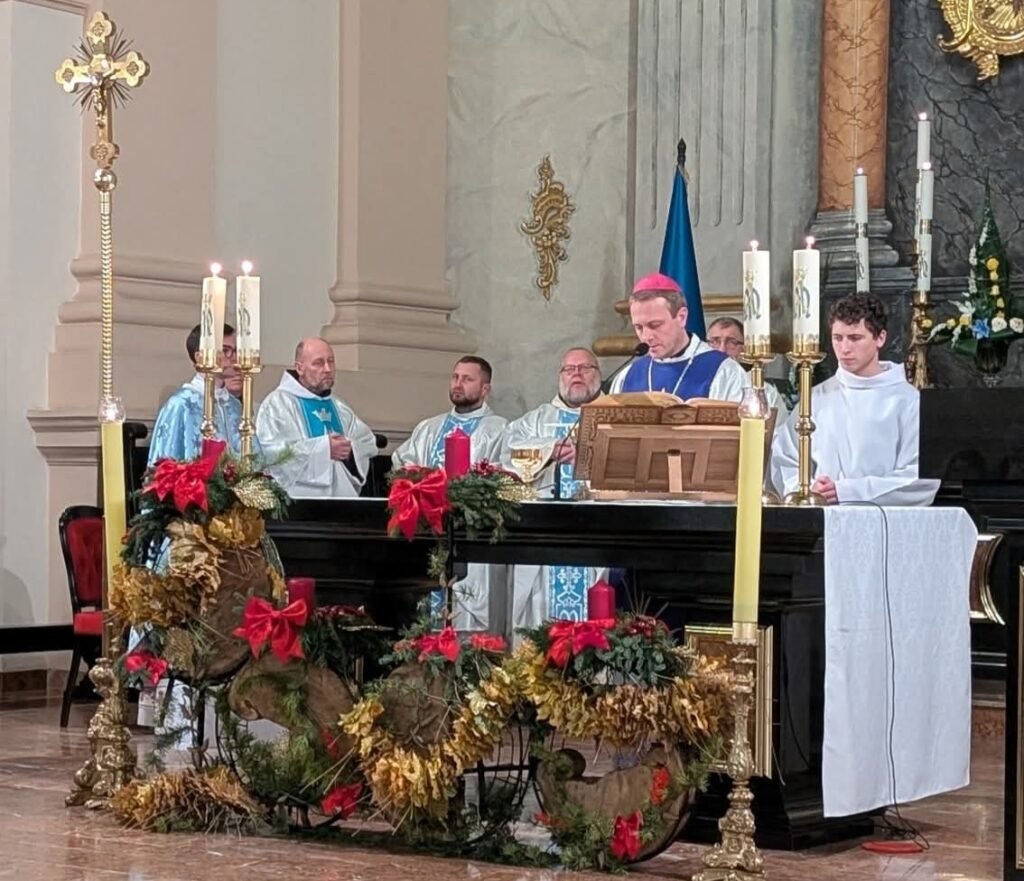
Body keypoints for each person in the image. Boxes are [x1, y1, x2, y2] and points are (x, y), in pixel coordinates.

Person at [770, 294, 939, 506]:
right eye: (837, 338)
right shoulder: (816, 397)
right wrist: (807, 489)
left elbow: (921, 478)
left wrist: (848, 491)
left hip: (883, 519)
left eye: (855, 338)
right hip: (823, 517)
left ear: (880, 338)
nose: (844, 348)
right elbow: (785, 458)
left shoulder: (908, 401)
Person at [392, 356, 508, 632]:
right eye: (455, 377)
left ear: (485, 388)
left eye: (467, 379)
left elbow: (506, 476)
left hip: (475, 536)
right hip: (429, 533)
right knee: (429, 613)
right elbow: (402, 464)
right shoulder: (429, 428)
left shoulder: (501, 429)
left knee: (470, 610)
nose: (458, 384)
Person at [505, 348, 607, 629]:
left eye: (585, 368)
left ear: (598, 374)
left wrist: (589, 455)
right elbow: (507, 453)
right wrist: (548, 450)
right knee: (540, 614)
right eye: (569, 369)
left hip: (595, 532)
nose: (576, 374)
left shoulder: (615, 416)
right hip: (545, 533)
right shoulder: (537, 419)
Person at [256, 337, 377, 498]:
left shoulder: (339, 407)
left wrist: (349, 451)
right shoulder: (278, 405)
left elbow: (366, 442)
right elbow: (274, 454)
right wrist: (325, 449)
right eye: (318, 363)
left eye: (331, 361)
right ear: (299, 368)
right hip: (299, 505)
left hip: (343, 502)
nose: (327, 369)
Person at [610, 273, 747, 401]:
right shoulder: (627, 376)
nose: (646, 337)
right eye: (639, 327)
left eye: (655, 325)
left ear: (681, 317)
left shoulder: (725, 371)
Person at [147, 324, 244, 465]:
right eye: (225, 350)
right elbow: (164, 463)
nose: (234, 358)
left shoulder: (234, 406)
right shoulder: (182, 404)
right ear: (200, 357)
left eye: (236, 351)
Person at [706, 316, 788, 417]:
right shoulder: (694, 382)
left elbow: (779, 426)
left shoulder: (764, 392)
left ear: (744, 349)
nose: (721, 349)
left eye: (731, 342)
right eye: (714, 341)